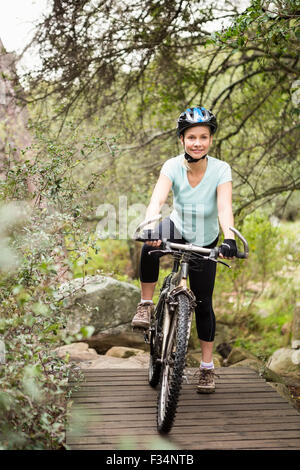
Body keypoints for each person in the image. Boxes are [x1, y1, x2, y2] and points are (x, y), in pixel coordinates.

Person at [131, 106, 237, 393]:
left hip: (206, 239)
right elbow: (157, 200)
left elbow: (225, 208)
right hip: (177, 227)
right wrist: (151, 225)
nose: (197, 142)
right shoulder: (172, 165)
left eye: (203, 136)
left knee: (204, 305)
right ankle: (146, 304)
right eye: (191, 137)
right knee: (150, 249)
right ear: (182, 139)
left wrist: (229, 238)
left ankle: (206, 368)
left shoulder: (220, 169)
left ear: (211, 140)